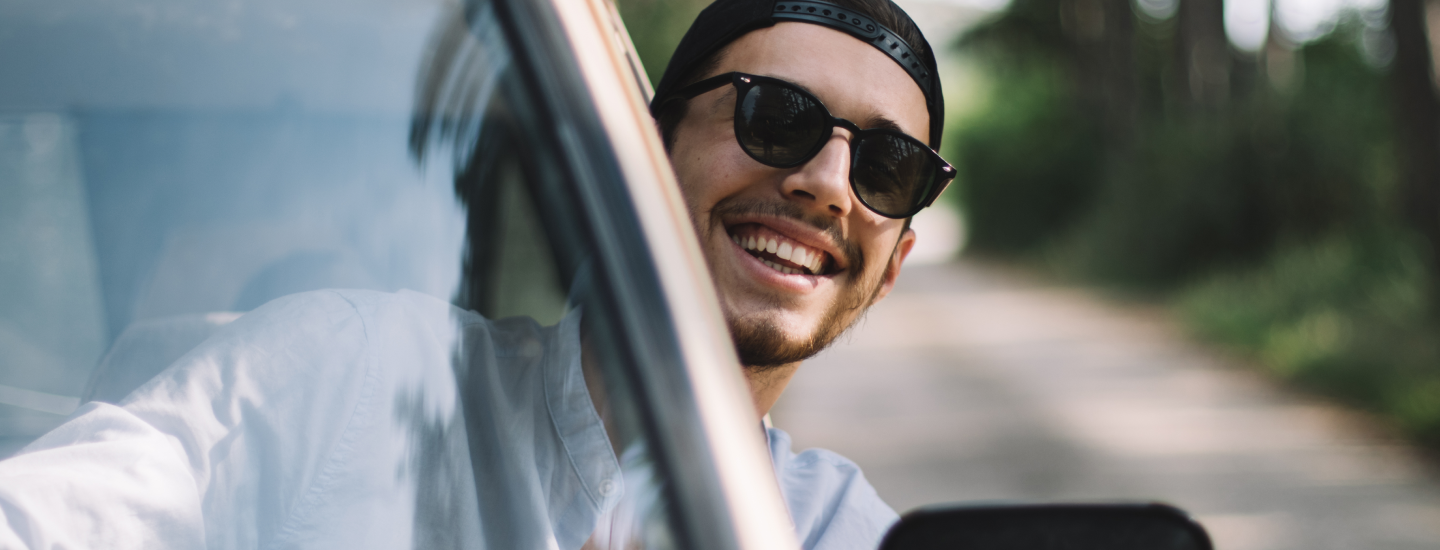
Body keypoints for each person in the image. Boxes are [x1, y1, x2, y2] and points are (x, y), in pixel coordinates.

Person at [0, 0, 950, 549]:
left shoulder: (844, 533)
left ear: (895, 261)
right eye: (774, 117)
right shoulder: (346, 370)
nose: (827, 184)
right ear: (644, 152)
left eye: (888, 168)